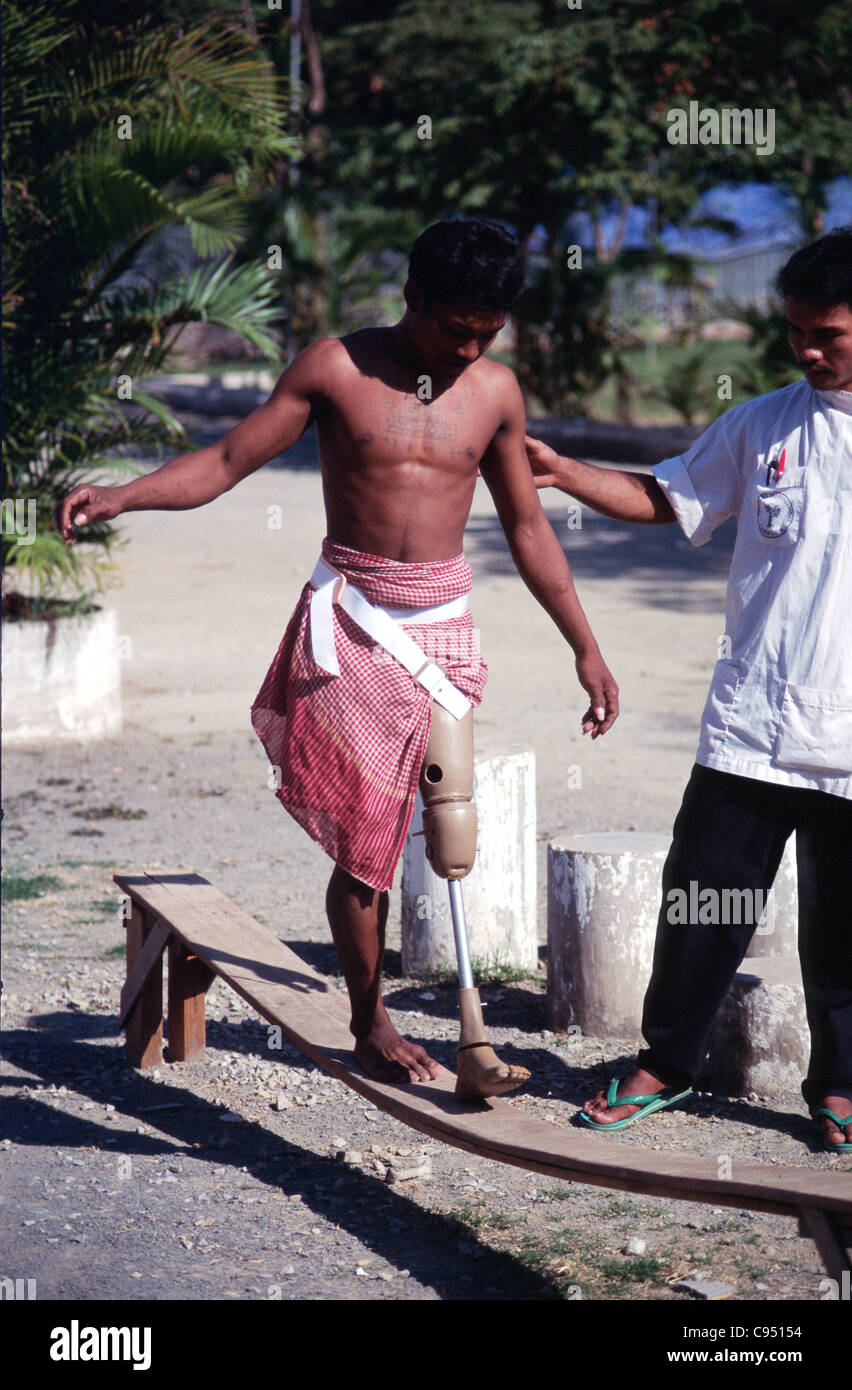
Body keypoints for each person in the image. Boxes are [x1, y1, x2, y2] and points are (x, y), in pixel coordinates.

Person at [58, 218, 619, 1090]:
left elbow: (526, 525)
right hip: (352, 624)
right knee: (364, 847)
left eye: (487, 331)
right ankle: (370, 1022)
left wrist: (586, 648)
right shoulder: (335, 368)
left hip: (443, 630)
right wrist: (121, 496)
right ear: (412, 298)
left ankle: (470, 1030)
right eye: (454, 326)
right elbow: (228, 459)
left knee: (451, 828)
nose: (469, 345)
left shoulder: (497, 393)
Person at [525, 226, 852, 1151]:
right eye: (796, 330)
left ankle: (841, 1091)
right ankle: (665, 1063)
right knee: (700, 901)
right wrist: (565, 475)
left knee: (846, 933)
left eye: (828, 332)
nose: (807, 348)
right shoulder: (761, 425)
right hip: (753, 724)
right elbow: (669, 497)